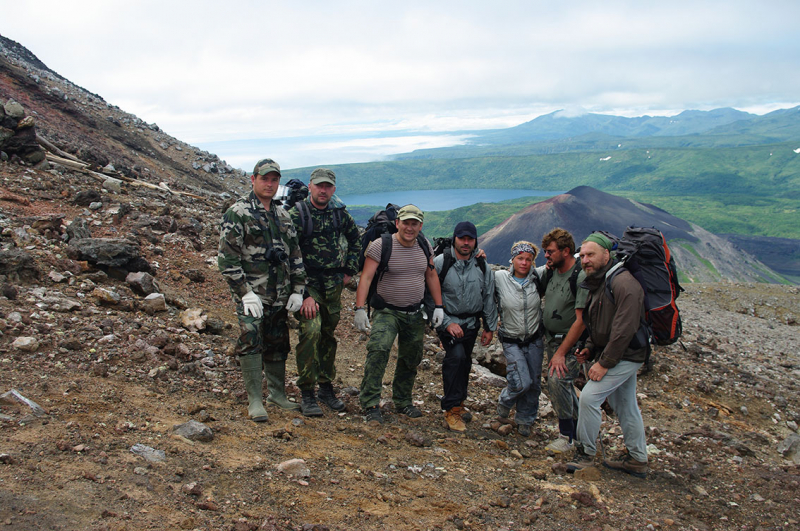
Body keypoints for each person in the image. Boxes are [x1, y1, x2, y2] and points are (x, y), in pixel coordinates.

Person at [218, 158, 306, 422]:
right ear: (253, 179)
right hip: (252, 295)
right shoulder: (238, 212)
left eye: (274, 179)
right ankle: (255, 399)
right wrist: (244, 291)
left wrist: (298, 289)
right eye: (265, 178)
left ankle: (276, 394)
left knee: (278, 343)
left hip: (280, 293)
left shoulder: (282, 214)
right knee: (251, 340)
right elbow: (227, 258)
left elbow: (294, 253)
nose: (270, 184)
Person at [566, 233, 649, 478]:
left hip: (626, 354)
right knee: (625, 405)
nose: (585, 260)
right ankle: (637, 458)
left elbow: (624, 330)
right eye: (582, 256)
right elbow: (600, 323)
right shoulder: (602, 280)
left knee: (589, 398)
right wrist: (590, 347)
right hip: (619, 353)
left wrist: (603, 363)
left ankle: (586, 454)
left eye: (590, 255)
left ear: (606, 254)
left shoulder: (623, 283)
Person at [354, 204, 444, 424]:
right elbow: (366, 277)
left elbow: (431, 276)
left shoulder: (424, 245)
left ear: (420, 225)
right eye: (406, 223)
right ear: (397, 223)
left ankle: (403, 401)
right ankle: (370, 403)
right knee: (379, 350)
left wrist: (439, 306)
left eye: (414, 224)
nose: (410, 228)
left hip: (414, 312)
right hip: (387, 310)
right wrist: (358, 309)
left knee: (411, 358)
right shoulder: (381, 245)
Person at [289, 168, 361, 417]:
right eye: (319, 185)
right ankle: (307, 392)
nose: (323, 190)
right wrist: (303, 292)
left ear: (333, 189)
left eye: (328, 186)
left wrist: (349, 270)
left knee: (328, 335)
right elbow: (288, 254)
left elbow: (355, 240)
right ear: (310, 186)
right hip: (308, 286)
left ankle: (326, 388)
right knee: (311, 331)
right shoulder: (297, 215)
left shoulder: (339, 214)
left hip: (333, 287)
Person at [430, 222, 497, 431]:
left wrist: (489, 326)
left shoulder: (482, 265)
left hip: (471, 323)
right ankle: (451, 409)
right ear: (455, 239)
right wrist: (448, 323)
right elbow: (430, 296)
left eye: (470, 239)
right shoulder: (442, 262)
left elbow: (488, 296)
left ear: (475, 240)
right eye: (462, 238)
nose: (466, 243)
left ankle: (459, 403)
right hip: (447, 321)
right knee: (456, 358)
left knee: (465, 362)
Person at [540, 228, 588, 453]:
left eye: (550, 252)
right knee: (565, 386)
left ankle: (566, 436)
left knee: (557, 381)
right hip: (552, 341)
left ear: (566, 251)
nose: (546, 256)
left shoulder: (579, 277)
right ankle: (580, 434)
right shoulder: (552, 272)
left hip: (570, 344)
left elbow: (581, 321)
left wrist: (561, 353)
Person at [494, 241, 545, 437]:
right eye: (520, 258)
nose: (524, 263)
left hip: (534, 339)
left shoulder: (538, 277)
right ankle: (505, 400)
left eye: (528, 259)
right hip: (511, 339)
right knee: (522, 381)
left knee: (534, 383)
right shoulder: (499, 278)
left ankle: (525, 419)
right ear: (512, 259)